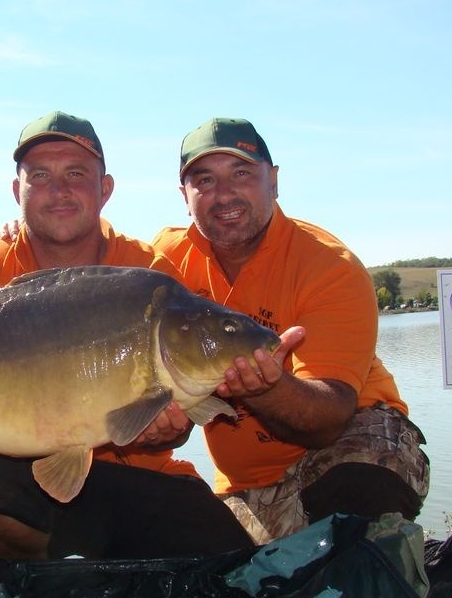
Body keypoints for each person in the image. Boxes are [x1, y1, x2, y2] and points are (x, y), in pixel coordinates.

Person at [0, 111, 254, 561]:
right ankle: (31, 587)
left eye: (76, 174)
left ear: (105, 188)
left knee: (224, 555)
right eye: (41, 176)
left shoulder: (148, 275)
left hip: (127, 481)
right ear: (18, 192)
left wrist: (165, 432)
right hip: (8, 481)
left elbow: (174, 426)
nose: (59, 190)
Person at [149, 117, 430, 544]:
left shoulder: (328, 265)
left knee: (362, 483)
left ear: (273, 181)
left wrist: (266, 388)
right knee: (224, 570)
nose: (224, 194)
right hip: (248, 483)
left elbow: (329, 418)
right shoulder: (165, 262)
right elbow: (92, 273)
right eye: (204, 180)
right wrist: (18, 232)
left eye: (242, 173)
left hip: (351, 445)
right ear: (185, 197)